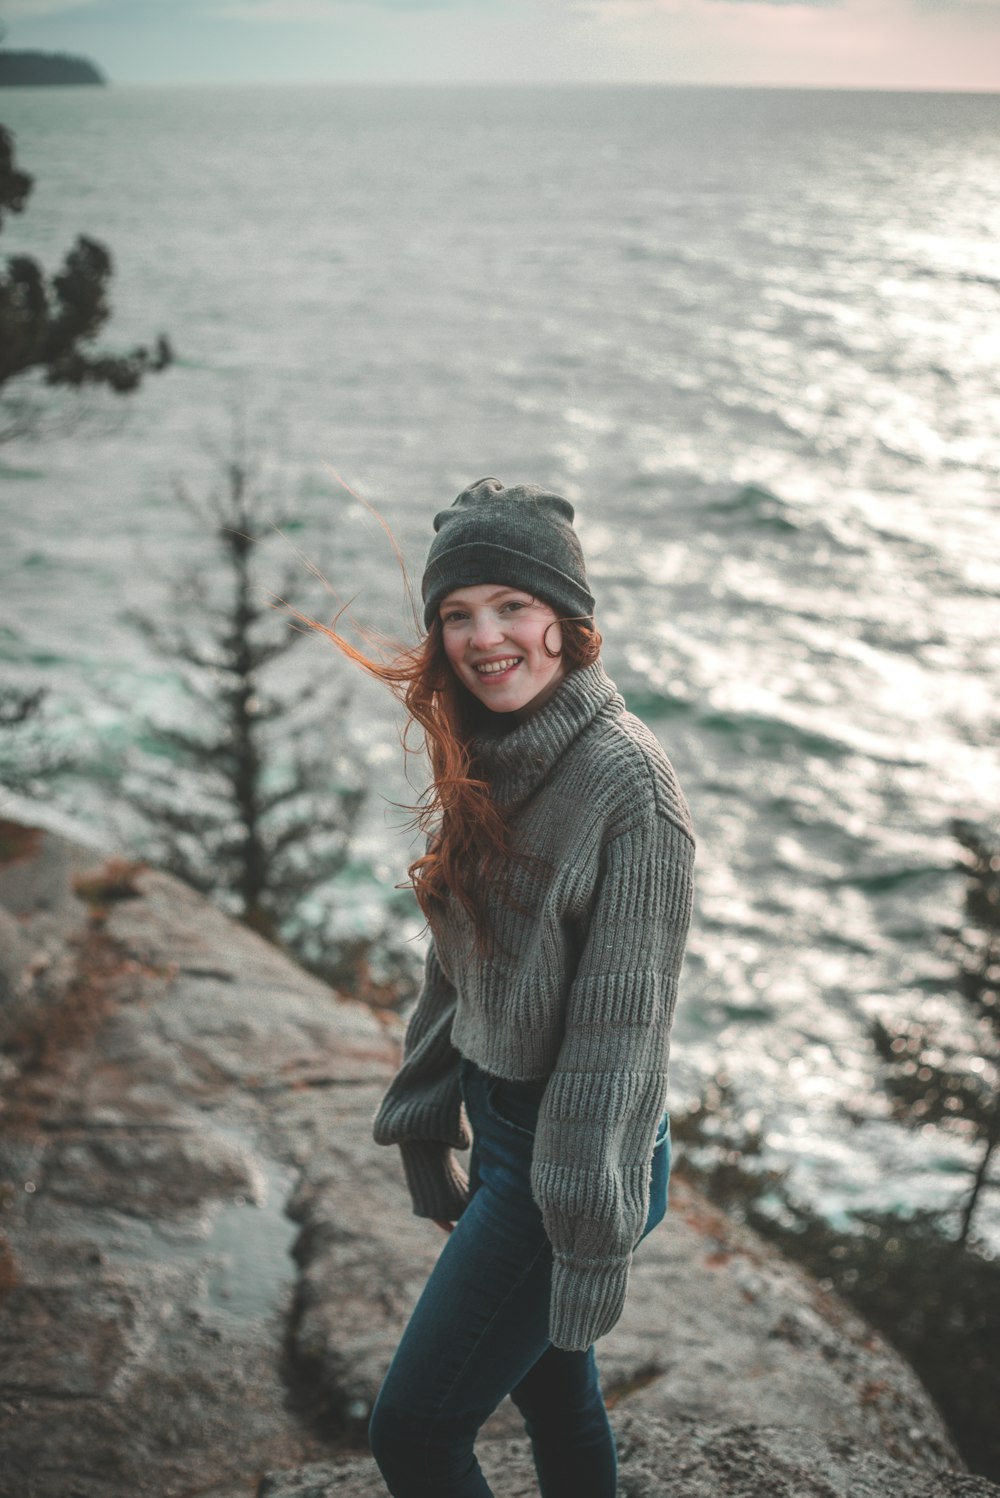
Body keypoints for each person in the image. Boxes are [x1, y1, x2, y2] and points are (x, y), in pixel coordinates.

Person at [319, 476, 695, 1498]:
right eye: (456, 613)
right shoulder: (490, 752)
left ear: (569, 622)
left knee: (414, 1431)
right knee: (553, 1392)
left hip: (575, 1150)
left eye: (512, 605)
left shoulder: (628, 790)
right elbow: (461, 963)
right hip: (507, 1138)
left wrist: (573, 1223)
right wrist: (426, 1123)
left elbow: (619, 1040)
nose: (485, 638)